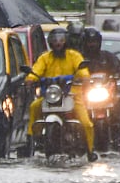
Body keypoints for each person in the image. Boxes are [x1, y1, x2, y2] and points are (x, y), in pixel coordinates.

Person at [25, 27, 97, 161]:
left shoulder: (74, 56)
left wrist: (83, 78)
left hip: (72, 96)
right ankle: (29, 142)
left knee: (86, 123)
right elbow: (36, 71)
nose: (58, 43)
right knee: (34, 106)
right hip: (50, 96)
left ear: (66, 41)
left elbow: (83, 71)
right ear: (50, 42)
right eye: (55, 40)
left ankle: (90, 150)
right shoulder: (45, 57)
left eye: (61, 40)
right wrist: (30, 79)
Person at [80, 27, 120, 151]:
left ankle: (118, 141)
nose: (92, 45)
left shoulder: (107, 56)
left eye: (95, 41)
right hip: (84, 94)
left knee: (119, 109)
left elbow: (118, 65)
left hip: (106, 93)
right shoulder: (79, 57)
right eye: (89, 42)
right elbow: (71, 69)